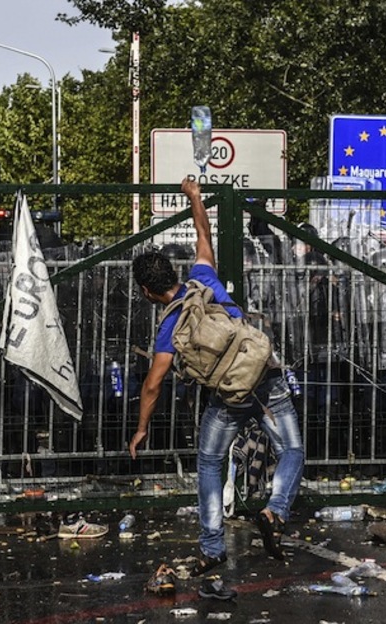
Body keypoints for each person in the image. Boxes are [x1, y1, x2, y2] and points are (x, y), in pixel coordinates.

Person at [129, 178, 305, 601]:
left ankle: (212, 548)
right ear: (175, 272)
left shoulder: (169, 325)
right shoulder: (202, 279)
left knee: (210, 461)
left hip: (228, 398)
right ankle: (274, 511)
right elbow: (205, 235)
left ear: (148, 292)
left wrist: (141, 428)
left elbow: (153, 385)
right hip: (266, 379)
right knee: (293, 450)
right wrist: (194, 196)